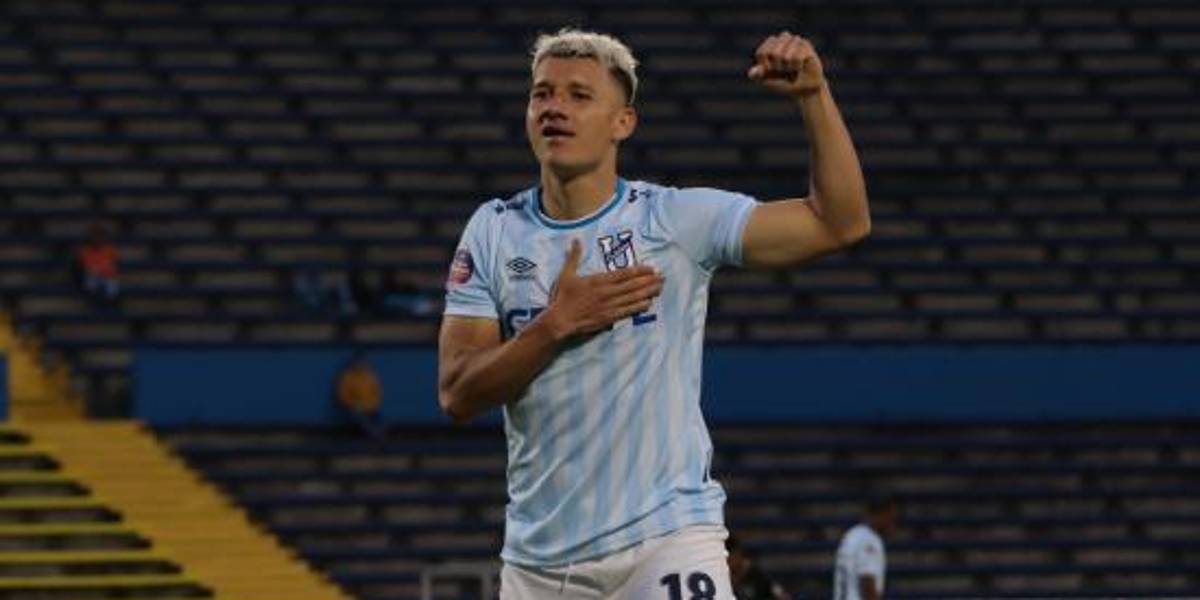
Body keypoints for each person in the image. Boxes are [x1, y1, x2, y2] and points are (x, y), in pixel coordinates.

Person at [438, 28, 869, 599]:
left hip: (666, 539)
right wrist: (555, 325)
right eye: (542, 93)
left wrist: (814, 97)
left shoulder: (672, 221)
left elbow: (841, 223)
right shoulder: (493, 231)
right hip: (538, 563)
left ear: (623, 123)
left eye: (579, 95)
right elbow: (458, 393)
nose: (554, 108)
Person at [833, 497, 900, 600]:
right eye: (891, 519)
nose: (893, 525)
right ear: (881, 514)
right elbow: (867, 585)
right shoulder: (869, 540)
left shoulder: (852, 534)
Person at [336, 352, 386, 439]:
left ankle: (379, 434)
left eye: (363, 362)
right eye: (358, 362)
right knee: (361, 418)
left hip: (370, 407)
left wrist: (373, 405)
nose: (360, 364)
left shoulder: (370, 376)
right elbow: (343, 395)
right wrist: (352, 404)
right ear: (354, 363)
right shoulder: (348, 377)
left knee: (379, 419)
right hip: (354, 407)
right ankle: (373, 435)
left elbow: (377, 393)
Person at [727, 535, 791, 600]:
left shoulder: (757, 574)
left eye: (730, 557)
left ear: (738, 553)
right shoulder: (725, 577)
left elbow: (782, 595)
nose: (729, 561)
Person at [77, 222, 120, 302]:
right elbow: (86, 267)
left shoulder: (110, 250)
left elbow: (112, 266)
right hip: (92, 276)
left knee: (112, 288)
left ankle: (109, 304)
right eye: (95, 236)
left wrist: (103, 270)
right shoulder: (85, 250)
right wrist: (96, 270)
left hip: (107, 276)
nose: (97, 239)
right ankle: (93, 302)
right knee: (90, 284)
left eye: (99, 236)